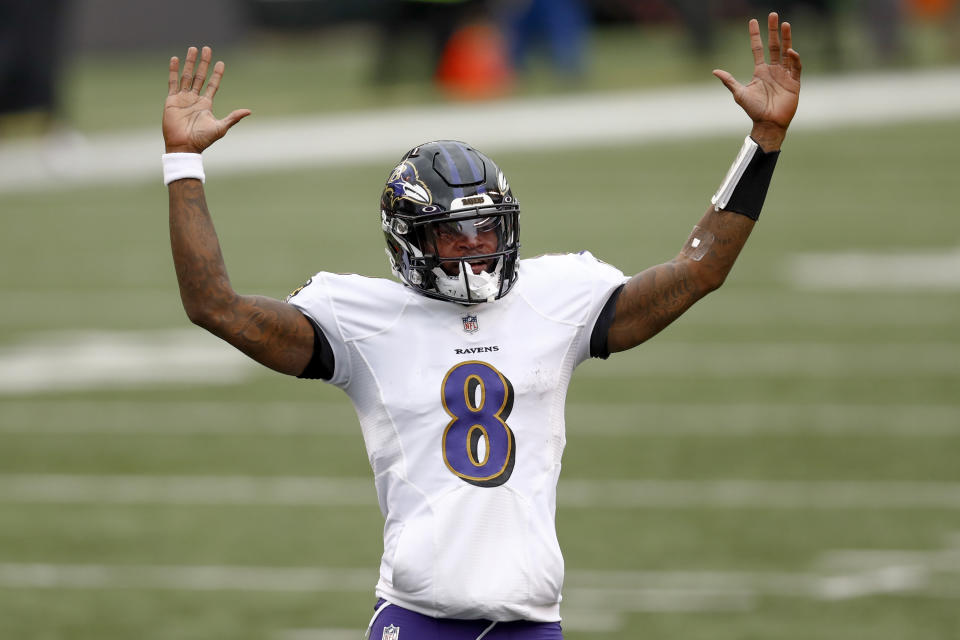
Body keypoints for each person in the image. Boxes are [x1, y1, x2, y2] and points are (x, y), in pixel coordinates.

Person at [161, 12, 800, 640]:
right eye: (453, 235)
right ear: (408, 241)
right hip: (415, 618)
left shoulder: (555, 296)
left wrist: (763, 140)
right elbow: (213, 304)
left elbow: (698, 270)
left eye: (486, 229)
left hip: (530, 619)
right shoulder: (362, 319)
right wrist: (183, 163)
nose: (475, 249)